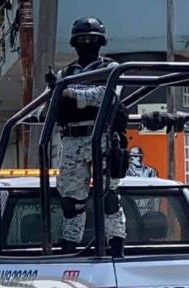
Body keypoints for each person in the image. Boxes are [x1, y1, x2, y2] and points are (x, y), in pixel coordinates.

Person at [54, 16, 127, 257]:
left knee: (109, 198)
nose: (87, 43)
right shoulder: (65, 72)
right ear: (74, 43)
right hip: (72, 139)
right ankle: (69, 245)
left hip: (102, 136)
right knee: (71, 202)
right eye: (82, 40)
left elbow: (106, 95)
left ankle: (115, 247)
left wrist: (71, 94)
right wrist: (58, 94)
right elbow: (46, 105)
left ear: (101, 42)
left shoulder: (111, 68)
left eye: (92, 40)